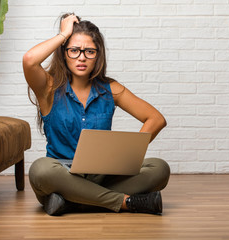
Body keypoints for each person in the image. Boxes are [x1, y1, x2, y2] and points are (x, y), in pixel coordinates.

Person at [23, 13, 170, 216]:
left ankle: (70, 201)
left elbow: (156, 119)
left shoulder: (111, 89)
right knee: (40, 170)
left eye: (89, 51)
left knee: (159, 168)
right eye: (74, 50)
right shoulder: (49, 87)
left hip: (102, 174)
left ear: (97, 55)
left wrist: (128, 155)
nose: (81, 57)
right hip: (61, 174)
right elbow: (30, 60)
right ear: (64, 52)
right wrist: (64, 33)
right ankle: (126, 202)